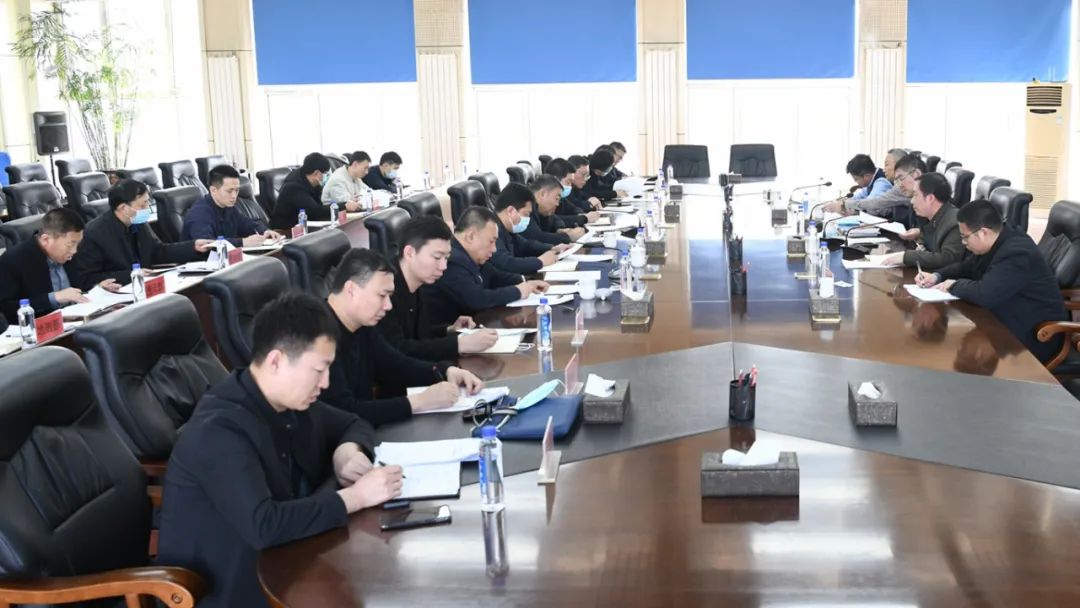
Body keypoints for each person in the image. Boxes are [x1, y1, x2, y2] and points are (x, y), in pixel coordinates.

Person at [157, 292, 402, 608]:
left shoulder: (287, 400)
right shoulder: (219, 429)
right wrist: (357, 497)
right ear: (276, 361)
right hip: (228, 590)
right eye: (319, 370)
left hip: (290, 562)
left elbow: (353, 422)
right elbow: (264, 525)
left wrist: (347, 451)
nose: (325, 383)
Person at [321, 248, 485, 426]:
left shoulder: (361, 325)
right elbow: (343, 411)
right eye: (382, 295)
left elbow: (395, 364)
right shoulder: (318, 337)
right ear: (351, 290)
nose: (388, 306)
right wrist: (419, 402)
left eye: (389, 297)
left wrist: (445, 371)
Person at [916, 200, 1067, 363]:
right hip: (1007, 318)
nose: (963, 243)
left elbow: (984, 294)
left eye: (965, 237)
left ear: (983, 232)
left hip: (1036, 334)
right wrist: (937, 276)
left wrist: (953, 285)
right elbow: (967, 266)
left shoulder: (1017, 252)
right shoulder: (998, 239)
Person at [378, 216, 499, 360]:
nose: (443, 266)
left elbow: (419, 335)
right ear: (409, 253)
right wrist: (459, 344)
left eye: (446, 258)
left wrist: (448, 330)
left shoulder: (420, 280)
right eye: (437, 257)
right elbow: (397, 349)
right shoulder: (384, 290)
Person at [70, 179, 213, 289]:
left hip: (144, 287)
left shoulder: (138, 221)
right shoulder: (94, 234)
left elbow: (158, 251)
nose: (148, 208)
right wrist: (132, 275)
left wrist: (192, 246)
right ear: (124, 208)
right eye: (143, 205)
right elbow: (86, 279)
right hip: (119, 294)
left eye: (147, 203)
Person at [423, 206, 549, 328]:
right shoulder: (451, 261)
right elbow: (477, 299)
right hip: (448, 335)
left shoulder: (469, 255)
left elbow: (496, 276)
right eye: (491, 241)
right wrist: (518, 291)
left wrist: (528, 282)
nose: (494, 249)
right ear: (470, 236)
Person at [0, 208, 120, 323]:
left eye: (77, 244)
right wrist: (54, 297)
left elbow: (78, 287)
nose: (74, 251)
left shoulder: (69, 255)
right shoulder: (13, 261)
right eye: (70, 245)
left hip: (76, 320)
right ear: (46, 239)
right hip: (42, 328)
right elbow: (6, 308)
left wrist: (97, 289)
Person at [880, 172, 963, 271]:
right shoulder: (934, 217)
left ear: (930, 198)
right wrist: (920, 236)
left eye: (915, 195)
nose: (912, 201)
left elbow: (947, 259)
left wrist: (905, 257)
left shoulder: (954, 222)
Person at [181, 164, 278, 246]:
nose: (234, 196)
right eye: (229, 191)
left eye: (237, 190)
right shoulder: (200, 214)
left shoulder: (228, 207)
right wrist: (242, 242)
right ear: (213, 190)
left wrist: (264, 231)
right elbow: (207, 245)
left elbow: (247, 224)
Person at [490, 183, 562, 275]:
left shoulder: (507, 229)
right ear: (511, 211)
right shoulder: (492, 230)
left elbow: (526, 245)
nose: (527, 219)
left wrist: (553, 248)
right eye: (526, 214)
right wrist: (540, 261)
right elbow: (507, 263)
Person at [269, 153, 333, 230]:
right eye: (325, 173)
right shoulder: (294, 187)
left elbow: (318, 206)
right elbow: (315, 211)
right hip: (285, 230)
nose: (327, 176)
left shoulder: (311, 181)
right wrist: (341, 206)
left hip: (304, 225)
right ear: (316, 173)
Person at [525, 174, 586, 245]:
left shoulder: (540, 209)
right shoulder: (524, 206)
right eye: (556, 199)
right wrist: (568, 236)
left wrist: (560, 228)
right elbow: (537, 238)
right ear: (542, 194)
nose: (557, 204)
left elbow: (553, 217)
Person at [546, 157, 599, 226]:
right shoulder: (542, 200)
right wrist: (584, 218)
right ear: (555, 180)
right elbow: (551, 220)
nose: (570, 186)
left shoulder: (561, 197)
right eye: (568, 182)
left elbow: (573, 208)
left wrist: (581, 214)